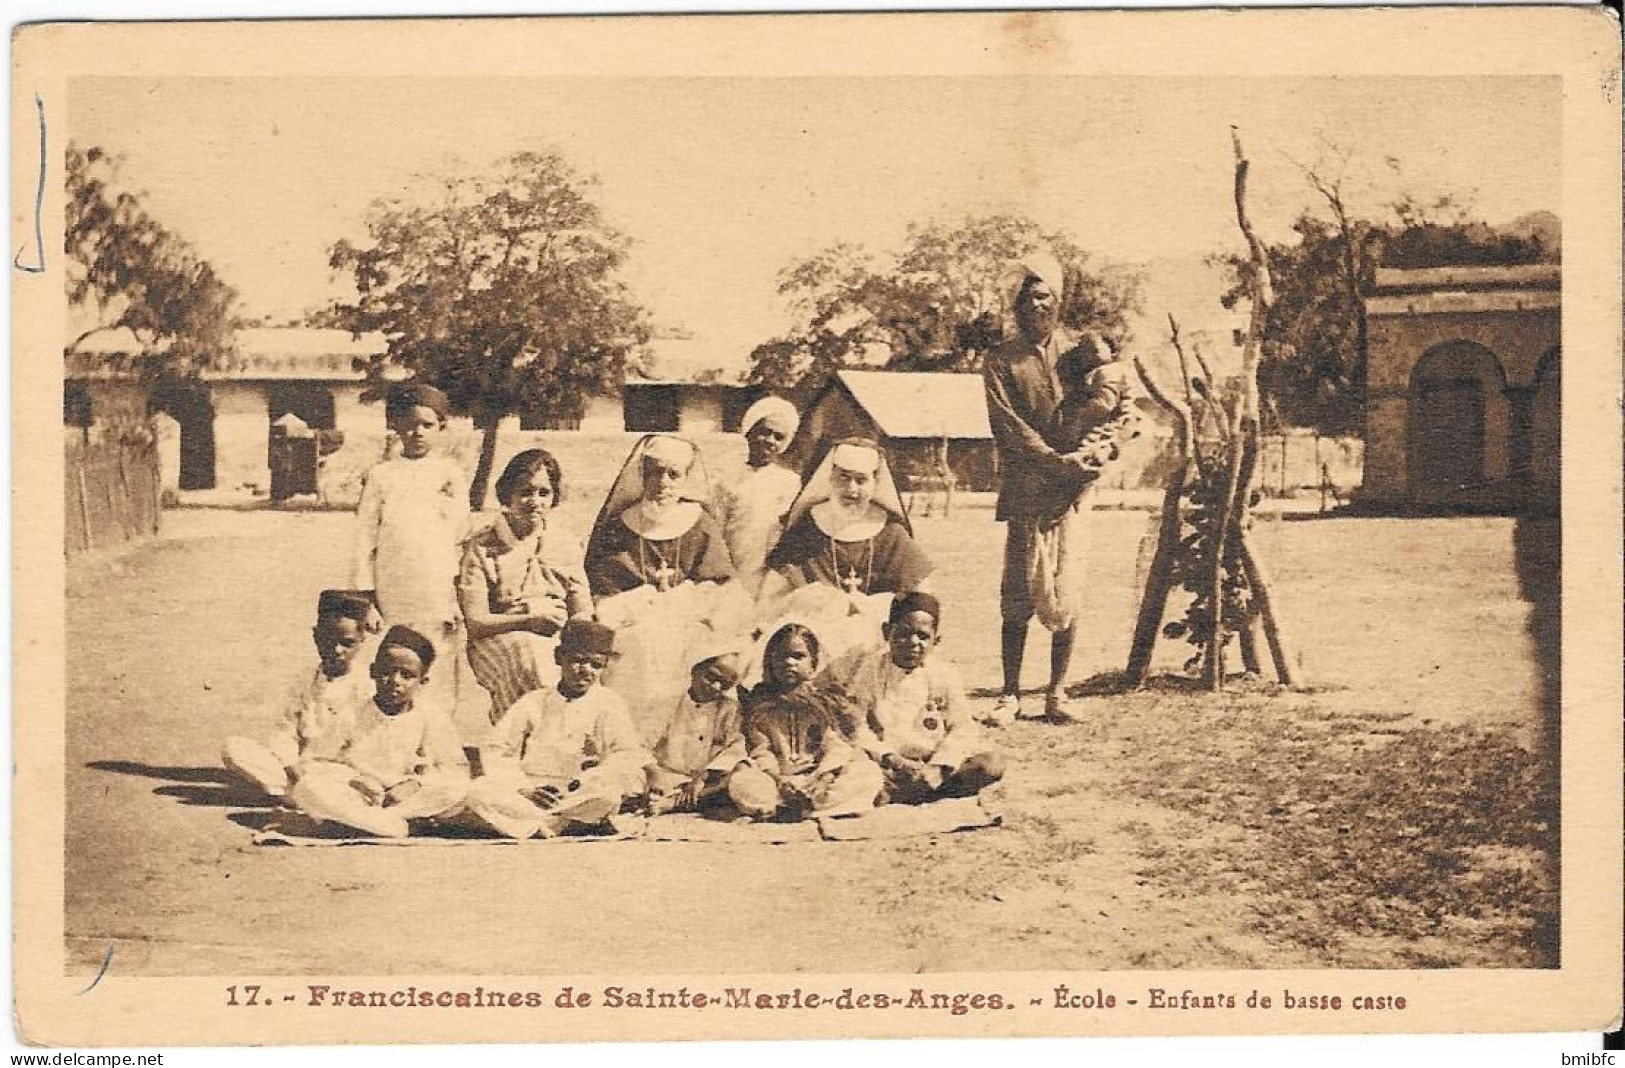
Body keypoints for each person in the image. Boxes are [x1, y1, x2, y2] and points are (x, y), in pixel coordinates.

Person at [982, 252, 1117, 725]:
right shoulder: (1000, 360)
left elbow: (1110, 397)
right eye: (1029, 298)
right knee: (1018, 592)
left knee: (1068, 587)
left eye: (1046, 297)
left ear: (1058, 302)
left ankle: (1057, 693)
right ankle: (1010, 695)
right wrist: (1053, 462)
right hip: (1027, 487)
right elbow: (1009, 426)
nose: (1038, 305)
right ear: (1016, 306)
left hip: (1074, 489)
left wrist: (1098, 451)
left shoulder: (1080, 351)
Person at [584, 434, 744, 742]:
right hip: (633, 624)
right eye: (655, 472)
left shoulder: (700, 523)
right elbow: (603, 591)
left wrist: (683, 599)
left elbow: (721, 586)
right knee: (637, 648)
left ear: (686, 479)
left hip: (689, 620)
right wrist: (643, 601)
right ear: (642, 475)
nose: (663, 481)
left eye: (674, 474)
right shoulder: (619, 527)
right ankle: (630, 742)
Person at [756, 438, 933, 673]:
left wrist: (870, 606)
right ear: (830, 479)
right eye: (844, 478)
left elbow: (921, 598)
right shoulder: (808, 526)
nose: (852, 489)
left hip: (875, 635)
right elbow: (773, 593)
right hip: (812, 631)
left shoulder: (891, 531)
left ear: (875, 483)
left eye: (861, 481)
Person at [464, 619, 652, 839]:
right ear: (558, 657)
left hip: (579, 790)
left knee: (607, 795)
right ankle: (564, 825)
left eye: (596, 665)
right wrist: (524, 789)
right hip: (531, 790)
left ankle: (533, 826)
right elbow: (497, 747)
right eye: (578, 661)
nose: (585, 671)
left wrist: (585, 781)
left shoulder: (609, 703)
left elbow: (625, 753)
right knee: (479, 791)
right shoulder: (534, 701)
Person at [352, 382, 469, 720]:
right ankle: (389, 734)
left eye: (427, 425)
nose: (418, 432)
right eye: (410, 423)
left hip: (437, 588)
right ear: (396, 425)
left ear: (441, 427)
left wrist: (456, 595)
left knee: (439, 661)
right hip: (394, 587)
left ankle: (435, 741)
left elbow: (460, 535)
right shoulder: (381, 476)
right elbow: (364, 540)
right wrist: (367, 598)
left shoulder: (450, 474)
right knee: (394, 660)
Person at [285, 625, 470, 839]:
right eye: (387, 672)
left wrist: (416, 784)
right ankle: (392, 825)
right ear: (372, 671)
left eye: (407, 675)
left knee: (458, 790)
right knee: (307, 788)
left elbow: (456, 771)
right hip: (359, 795)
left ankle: (373, 822)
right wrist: (355, 779)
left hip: (407, 801)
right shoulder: (352, 713)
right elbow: (313, 761)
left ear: (423, 681)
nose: (395, 681)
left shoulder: (431, 716)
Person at [825, 591, 1004, 804]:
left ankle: (917, 790)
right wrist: (891, 758)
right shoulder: (871, 669)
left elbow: (962, 727)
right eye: (902, 633)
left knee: (990, 764)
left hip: (932, 762)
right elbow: (855, 724)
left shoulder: (945, 674)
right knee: (855, 769)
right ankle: (912, 792)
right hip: (888, 763)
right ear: (886, 632)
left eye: (923, 636)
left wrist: (939, 767)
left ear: (936, 640)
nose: (912, 642)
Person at [457, 449, 592, 721]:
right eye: (525, 492)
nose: (535, 501)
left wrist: (574, 640)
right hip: (498, 638)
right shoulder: (483, 546)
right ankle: (519, 744)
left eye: (544, 493)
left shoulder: (564, 543)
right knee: (528, 657)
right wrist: (528, 621)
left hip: (556, 637)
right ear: (508, 495)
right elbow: (476, 622)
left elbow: (581, 610)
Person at [221, 589, 379, 799]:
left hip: (343, 771)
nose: (336, 650)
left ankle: (309, 796)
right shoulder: (305, 679)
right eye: (328, 640)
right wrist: (290, 765)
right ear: (315, 636)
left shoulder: (367, 684)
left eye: (347, 643)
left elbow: (370, 744)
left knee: (356, 782)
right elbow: (285, 730)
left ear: (361, 641)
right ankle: (305, 794)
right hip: (301, 769)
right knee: (234, 748)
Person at [728, 623, 883, 822]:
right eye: (781, 656)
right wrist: (779, 779)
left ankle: (800, 808)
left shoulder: (823, 703)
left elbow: (835, 746)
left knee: (868, 772)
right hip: (776, 781)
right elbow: (761, 750)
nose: (789, 663)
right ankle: (786, 806)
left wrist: (823, 777)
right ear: (770, 661)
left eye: (798, 656)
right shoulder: (761, 705)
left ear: (813, 663)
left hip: (817, 779)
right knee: (742, 781)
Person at [646, 640, 749, 815]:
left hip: (708, 781)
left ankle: (673, 803)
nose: (716, 687)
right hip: (666, 776)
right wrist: (654, 774)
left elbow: (735, 748)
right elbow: (642, 745)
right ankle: (678, 799)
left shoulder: (730, 709)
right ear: (695, 670)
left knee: (743, 775)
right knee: (631, 778)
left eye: (724, 684)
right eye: (711, 677)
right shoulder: (666, 704)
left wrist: (703, 777)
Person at [713, 396, 803, 596]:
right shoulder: (726, 480)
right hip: (733, 565)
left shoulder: (791, 482)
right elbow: (716, 532)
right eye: (765, 432)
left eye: (779, 437)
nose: (770, 441)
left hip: (772, 571)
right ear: (749, 433)